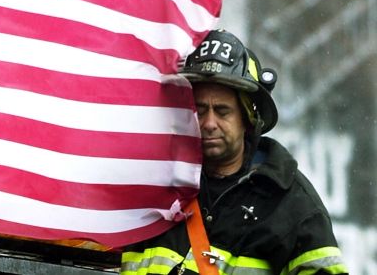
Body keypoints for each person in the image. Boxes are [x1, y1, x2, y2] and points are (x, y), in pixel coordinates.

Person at [120, 29, 348, 274]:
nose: (208, 123)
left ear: (248, 120)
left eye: (222, 111)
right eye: (199, 109)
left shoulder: (292, 206)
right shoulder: (152, 187)